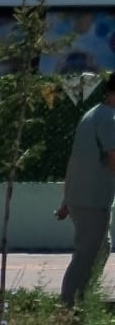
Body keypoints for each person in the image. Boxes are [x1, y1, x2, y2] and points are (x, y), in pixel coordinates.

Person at [56, 71, 115, 307]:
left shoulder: (91, 115)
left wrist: (66, 201)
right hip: (93, 200)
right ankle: (69, 307)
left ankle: (82, 297)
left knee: (101, 248)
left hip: (80, 198)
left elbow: (76, 159)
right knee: (85, 257)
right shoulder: (111, 119)